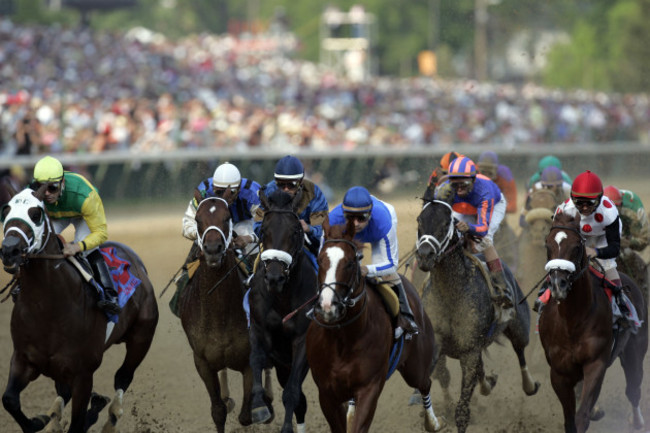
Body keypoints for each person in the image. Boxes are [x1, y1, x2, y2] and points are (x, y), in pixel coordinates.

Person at [31, 155, 120, 314]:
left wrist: (77, 246)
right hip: (56, 216)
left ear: (62, 183)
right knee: (37, 243)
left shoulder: (86, 196)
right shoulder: (31, 191)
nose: (47, 194)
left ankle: (109, 293)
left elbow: (101, 233)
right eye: (42, 188)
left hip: (81, 213)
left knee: (85, 249)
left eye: (52, 187)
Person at [328, 186, 419, 338]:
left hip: (376, 232)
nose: (355, 223)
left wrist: (368, 270)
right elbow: (323, 259)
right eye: (350, 217)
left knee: (384, 274)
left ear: (370, 215)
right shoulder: (333, 220)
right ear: (343, 214)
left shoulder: (383, 221)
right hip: (347, 235)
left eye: (361, 218)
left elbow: (391, 265)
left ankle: (406, 317)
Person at [172, 162, 263, 313]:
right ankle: (183, 284)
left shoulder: (254, 193)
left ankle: (258, 283)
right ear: (213, 188)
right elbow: (187, 224)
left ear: (238, 189)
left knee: (246, 234)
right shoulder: (204, 190)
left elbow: (268, 226)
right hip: (213, 225)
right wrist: (203, 234)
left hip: (245, 224)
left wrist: (249, 238)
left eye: (230, 193)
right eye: (219, 192)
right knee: (203, 240)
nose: (224, 197)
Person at [435, 156, 514, 318]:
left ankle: (502, 287)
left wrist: (469, 228)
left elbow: (483, 228)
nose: (458, 188)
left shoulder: (485, 191)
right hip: (464, 207)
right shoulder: (446, 189)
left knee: (484, 241)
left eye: (463, 182)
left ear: (473, 179)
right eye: (454, 183)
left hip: (491, 204)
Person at [548, 171, 630, 321]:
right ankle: (544, 299)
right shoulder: (564, 210)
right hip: (575, 236)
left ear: (599, 199)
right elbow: (555, 241)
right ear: (572, 199)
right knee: (559, 265)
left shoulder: (609, 213)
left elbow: (614, 248)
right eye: (579, 202)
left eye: (590, 203)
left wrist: (596, 251)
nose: (584, 208)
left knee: (608, 265)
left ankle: (621, 302)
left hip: (602, 238)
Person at [255, 155, 329, 258]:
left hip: (304, 245)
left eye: (292, 184)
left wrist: (309, 229)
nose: (286, 189)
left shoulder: (314, 193)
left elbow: (323, 232)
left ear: (301, 181)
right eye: (281, 184)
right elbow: (257, 225)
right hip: (272, 244)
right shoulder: (268, 191)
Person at [603, 185, 650, 252]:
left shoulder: (633, 213)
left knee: (626, 252)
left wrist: (627, 242)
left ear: (620, 205)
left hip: (630, 216)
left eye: (614, 209)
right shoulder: (595, 206)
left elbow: (644, 240)